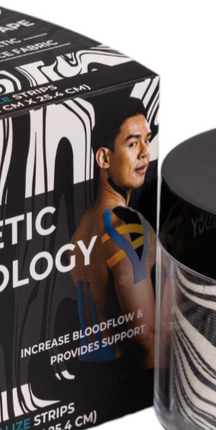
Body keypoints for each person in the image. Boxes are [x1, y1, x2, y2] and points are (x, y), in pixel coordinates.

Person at [70, 94, 156, 371]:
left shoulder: (83, 228)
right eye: (133, 143)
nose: (145, 153)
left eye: (147, 140)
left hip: (89, 379)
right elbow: (145, 338)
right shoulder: (125, 224)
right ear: (104, 157)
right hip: (124, 381)